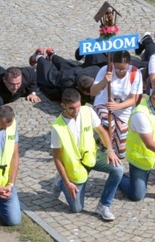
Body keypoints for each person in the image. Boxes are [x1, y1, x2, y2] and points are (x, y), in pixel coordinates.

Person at [50, 88, 124, 221]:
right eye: (72, 108)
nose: (76, 111)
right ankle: (60, 181)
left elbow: (101, 131)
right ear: (63, 105)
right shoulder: (57, 128)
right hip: (74, 167)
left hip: (92, 156)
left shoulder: (87, 111)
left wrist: (110, 150)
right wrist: (67, 182)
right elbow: (57, 158)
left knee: (118, 169)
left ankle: (104, 206)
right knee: (77, 208)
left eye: (78, 106)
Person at [90, 51, 143, 159]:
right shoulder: (105, 70)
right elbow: (93, 92)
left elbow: (135, 99)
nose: (120, 71)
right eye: (117, 68)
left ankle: (109, 140)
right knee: (109, 123)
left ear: (129, 64)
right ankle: (103, 144)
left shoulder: (135, 73)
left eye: (123, 69)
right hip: (104, 103)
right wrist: (104, 80)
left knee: (121, 153)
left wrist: (117, 106)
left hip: (123, 109)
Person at [32, 49, 100, 102]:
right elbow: (58, 95)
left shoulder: (95, 70)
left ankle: (52, 55)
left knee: (66, 65)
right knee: (50, 74)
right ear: (77, 87)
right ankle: (39, 56)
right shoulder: (67, 85)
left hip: (77, 70)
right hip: (65, 76)